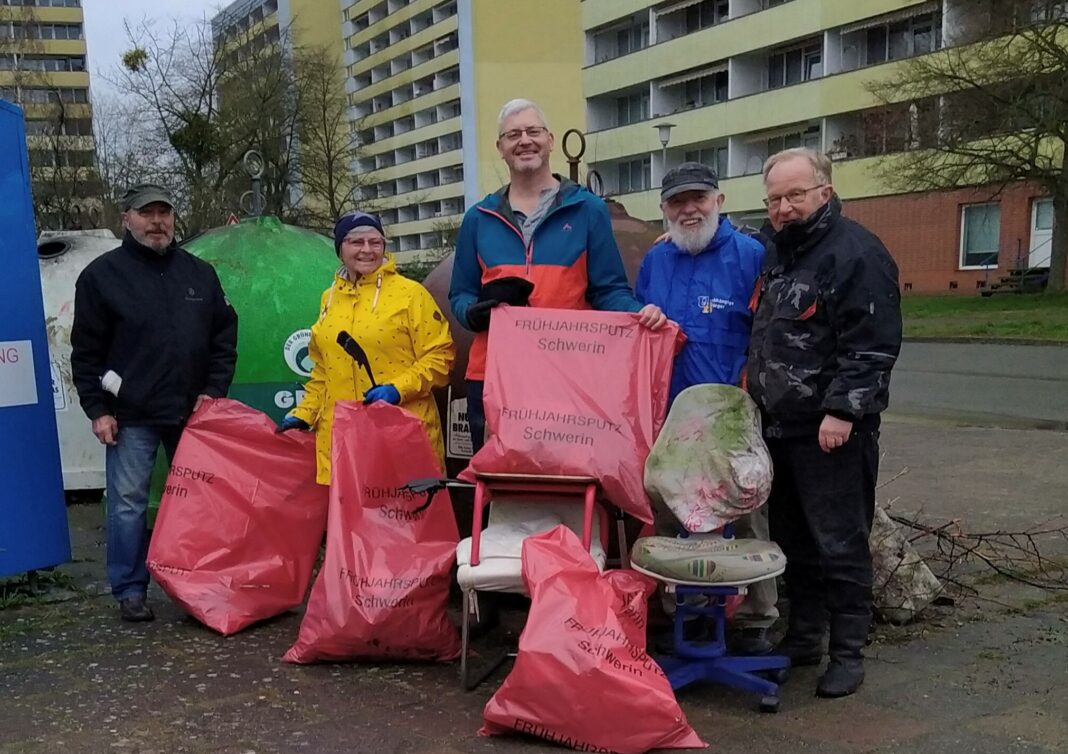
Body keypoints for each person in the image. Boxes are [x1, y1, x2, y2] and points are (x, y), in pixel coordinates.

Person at [746, 148, 902, 698]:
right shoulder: (776, 252)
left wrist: (842, 411)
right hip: (780, 428)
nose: (784, 207)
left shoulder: (856, 252)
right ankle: (805, 638)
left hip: (832, 431)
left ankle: (848, 653)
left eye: (795, 195)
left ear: (824, 193)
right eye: (775, 199)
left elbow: (872, 344)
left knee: (841, 543)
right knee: (795, 542)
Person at [448, 98, 666, 452]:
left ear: (550, 139)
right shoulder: (478, 218)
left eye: (533, 131)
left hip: (566, 374)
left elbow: (608, 289)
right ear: (500, 148)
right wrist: (474, 312)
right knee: (498, 487)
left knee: (567, 482)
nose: (525, 141)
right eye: (513, 134)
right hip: (492, 376)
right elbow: (460, 294)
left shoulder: (587, 210)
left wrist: (638, 314)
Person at [71, 183, 238, 622]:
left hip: (192, 414)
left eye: (164, 212)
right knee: (127, 503)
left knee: (199, 502)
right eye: (147, 213)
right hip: (131, 416)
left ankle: (197, 587)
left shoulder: (200, 274)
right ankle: (129, 589)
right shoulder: (101, 277)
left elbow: (224, 336)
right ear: (126, 218)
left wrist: (214, 391)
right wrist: (98, 410)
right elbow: (86, 352)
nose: (158, 221)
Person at [635, 162, 777, 655]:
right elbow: (639, 329)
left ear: (719, 200)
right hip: (673, 414)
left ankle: (759, 616)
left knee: (749, 505)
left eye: (698, 198)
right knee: (671, 506)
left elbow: (772, 330)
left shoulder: (752, 256)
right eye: (677, 202)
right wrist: (647, 318)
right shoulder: (657, 262)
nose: (688, 209)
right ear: (664, 211)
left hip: (736, 409)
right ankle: (685, 607)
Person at [279, 211, 454, 483]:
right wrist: (305, 413)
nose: (367, 250)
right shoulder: (329, 298)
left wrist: (398, 389)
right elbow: (323, 371)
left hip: (400, 433)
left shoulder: (411, 294)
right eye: (356, 242)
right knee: (350, 523)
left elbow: (440, 357)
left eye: (375, 242)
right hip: (343, 439)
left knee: (402, 522)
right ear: (340, 249)